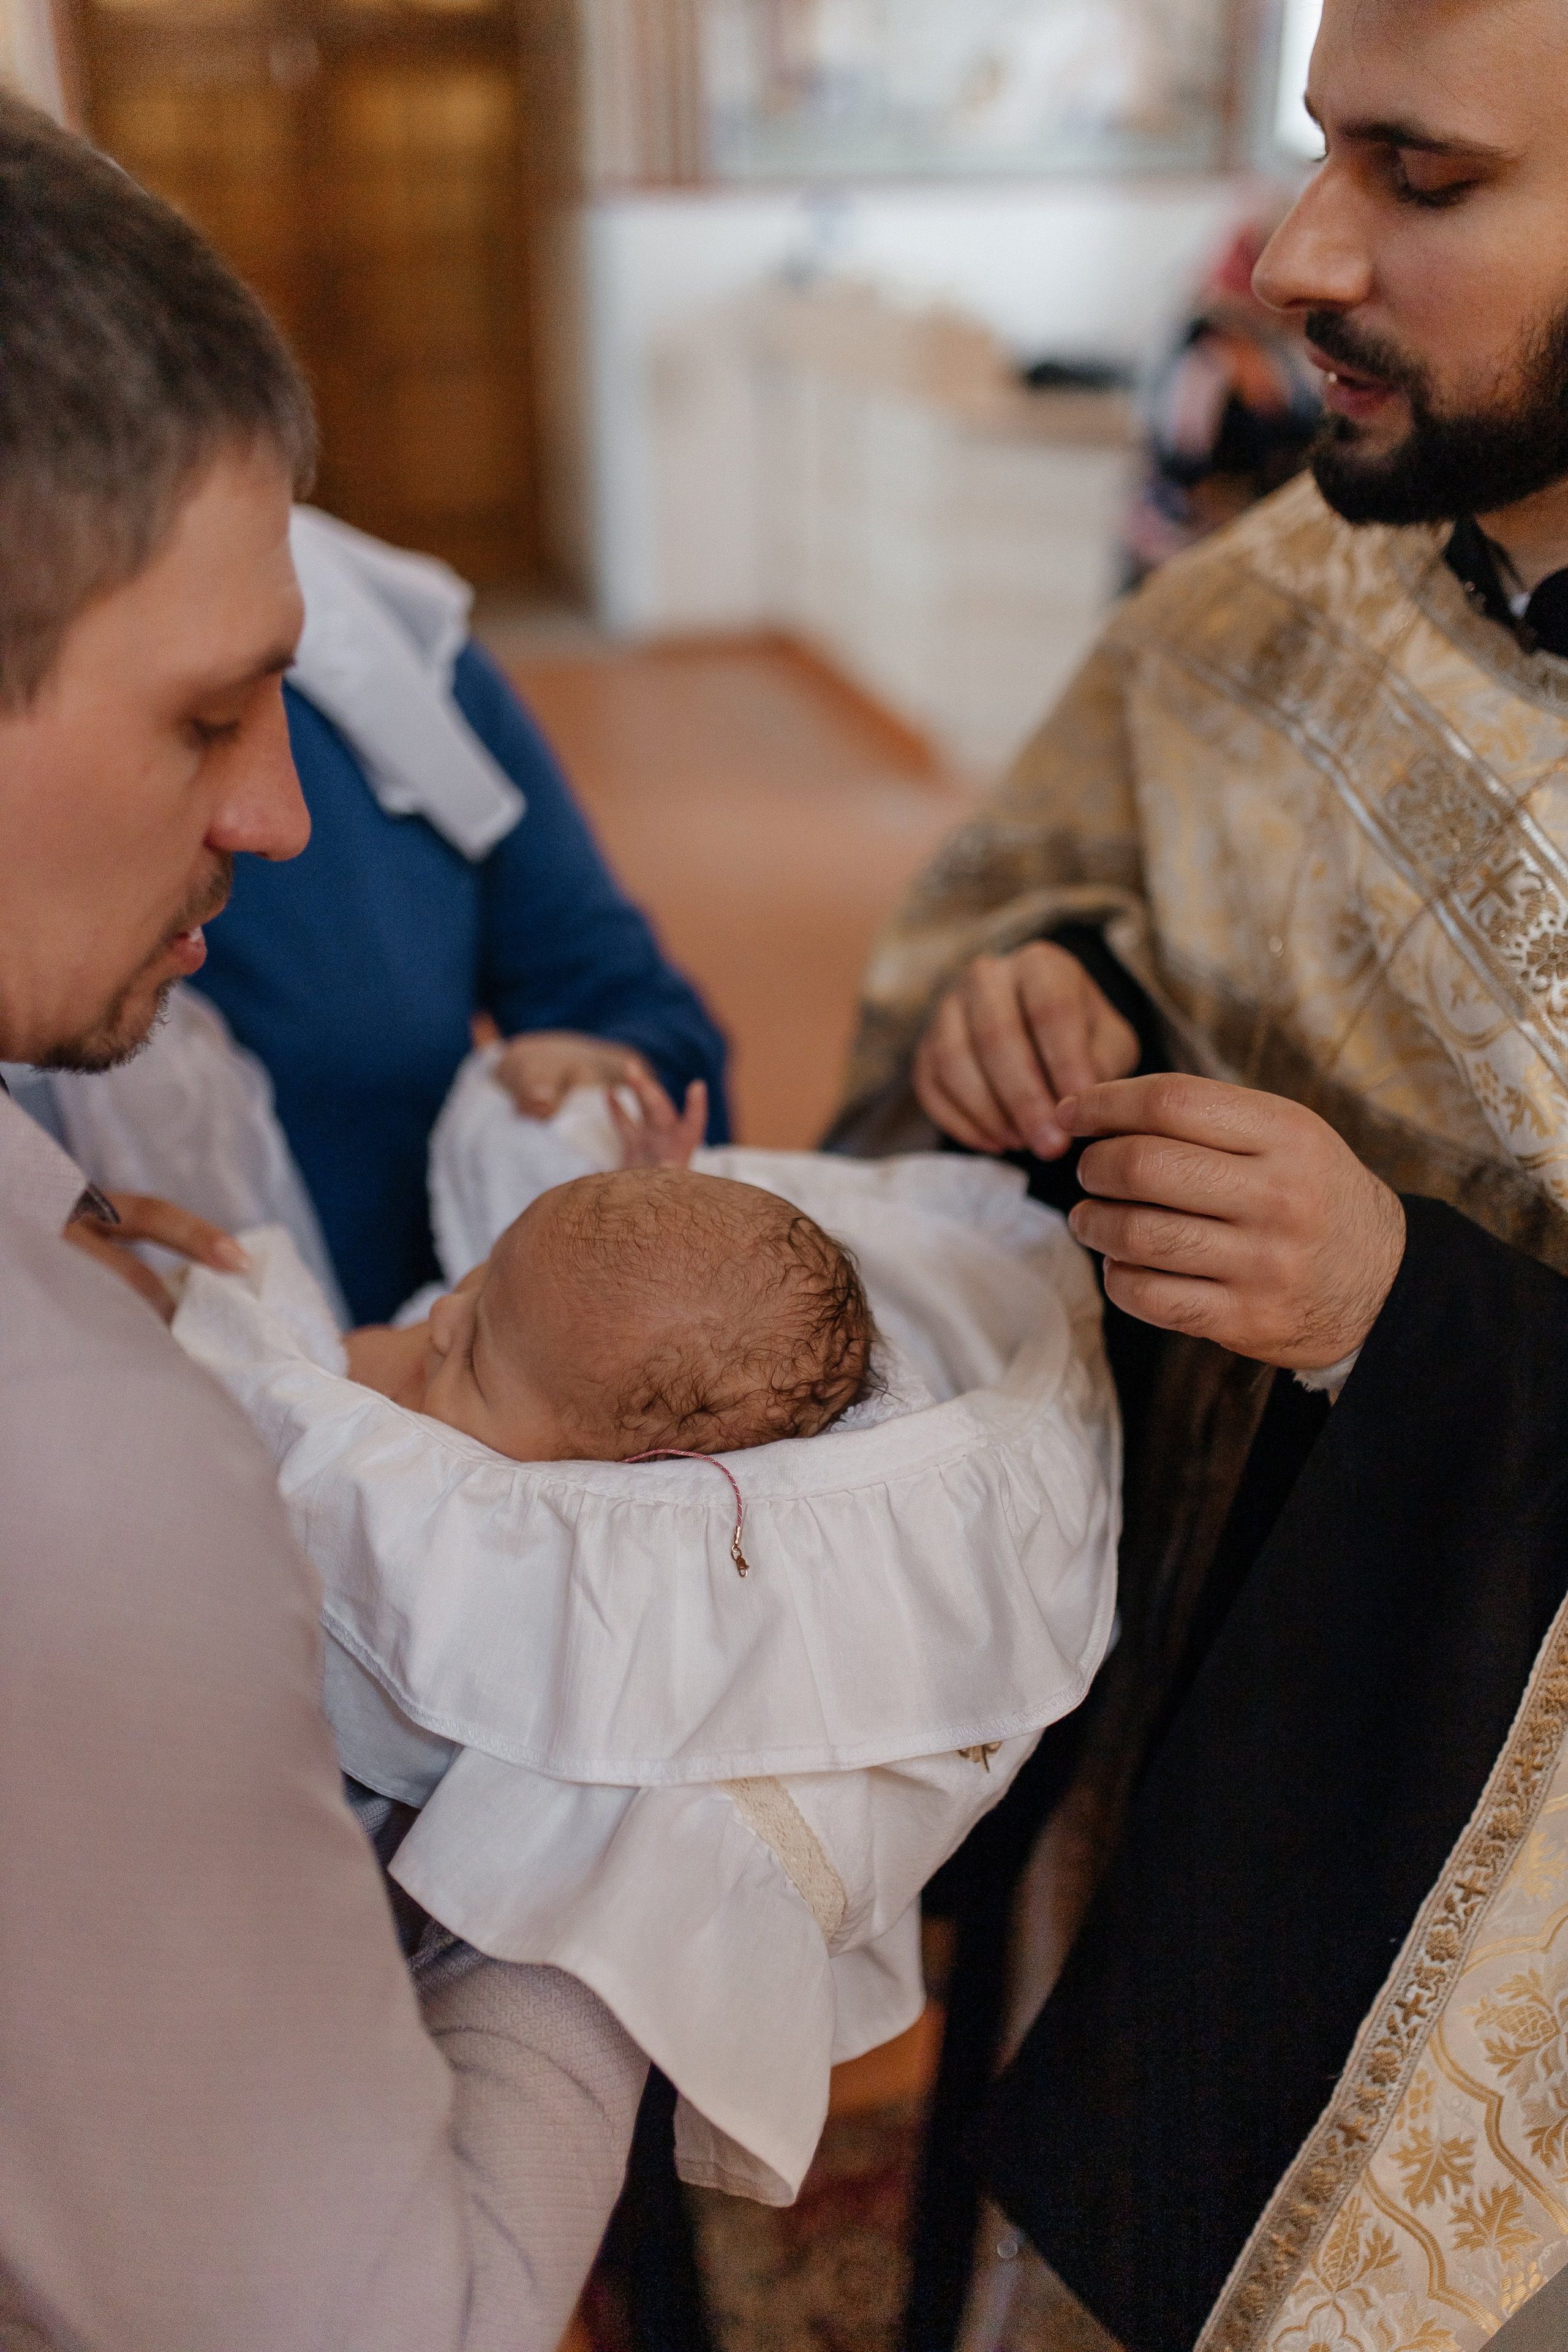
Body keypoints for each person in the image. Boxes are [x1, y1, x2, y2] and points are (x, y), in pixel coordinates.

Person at [836, 2, 1568, 2348]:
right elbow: (1029, 907)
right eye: (1317, 148)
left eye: (1423, 180)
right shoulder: (1277, 601)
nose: (1296, 256)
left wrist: (1408, 1318)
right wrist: (1037, 1002)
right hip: (1177, 1720)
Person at [0, 91, 647, 2351]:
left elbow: (612, 985)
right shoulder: (73, 1455)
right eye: (201, 720)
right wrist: (647, 1820)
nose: (276, 810)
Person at [186, 505, 729, 1328]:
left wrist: (593, 1093)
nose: (279, 826)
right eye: (201, 726)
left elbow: (632, 1008)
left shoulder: (383, 657)